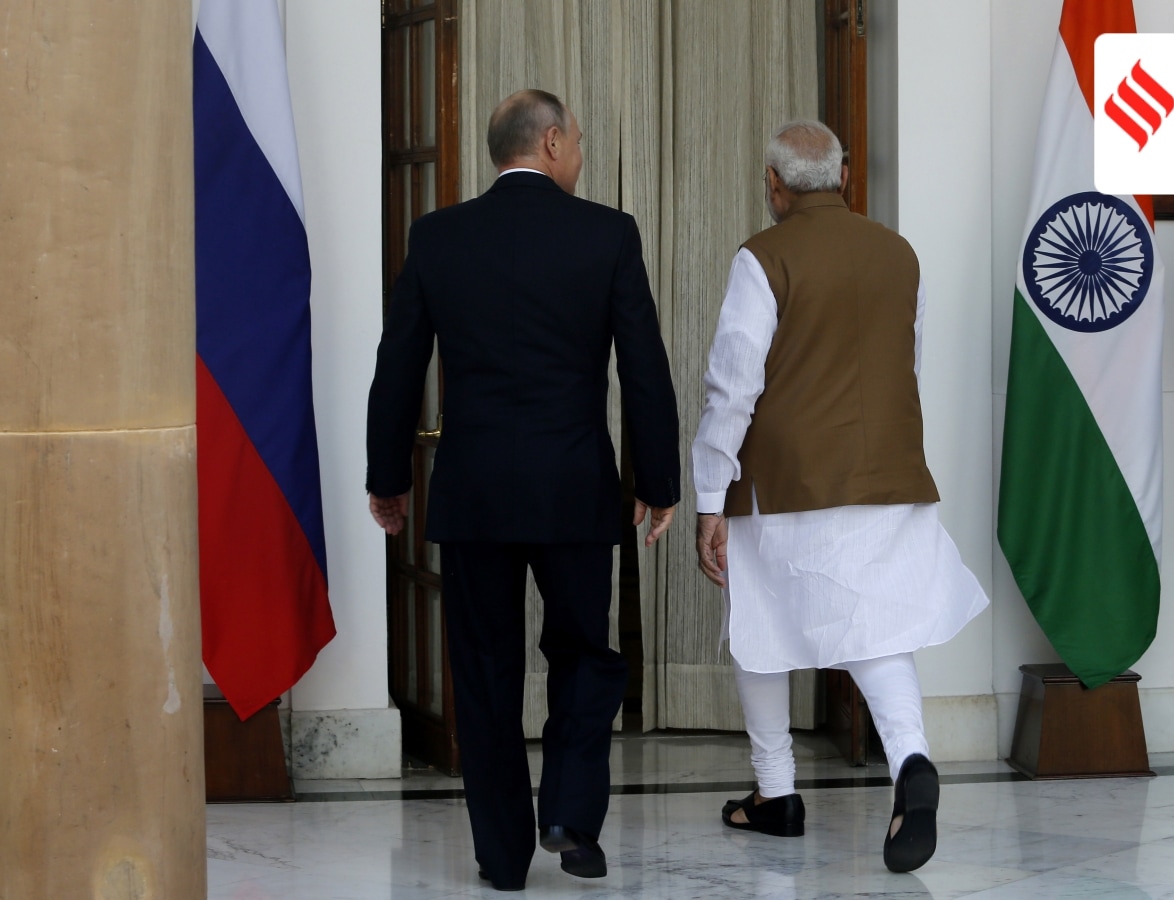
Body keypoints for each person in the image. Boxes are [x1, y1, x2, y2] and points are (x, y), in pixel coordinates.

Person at [365, 89, 679, 891]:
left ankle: (503, 858)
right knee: (585, 655)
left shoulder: (437, 237)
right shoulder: (608, 234)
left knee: (482, 673)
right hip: (574, 490)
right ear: (547, 144)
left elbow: (397, 366)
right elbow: (644, 368)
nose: (579, 152)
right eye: (575, 139)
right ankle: (570, 813)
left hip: (473, 494)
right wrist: (659, 482)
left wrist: (388, 478)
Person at [692, 120, 989, 874]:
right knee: (876, 633)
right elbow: (906, 363)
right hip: (888, 471)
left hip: (787, 479)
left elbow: (733, 385)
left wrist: (707, 490)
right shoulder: (899, 254)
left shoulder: (763, 257)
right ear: (845, 176)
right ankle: (911, 760)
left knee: (758, 628)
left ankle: (776, 794)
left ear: (774, 185)